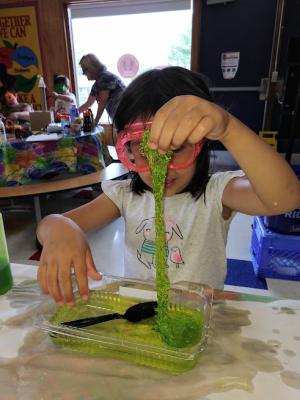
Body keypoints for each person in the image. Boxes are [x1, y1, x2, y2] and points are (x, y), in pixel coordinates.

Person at [36, 66, 300, 305]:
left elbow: (284, 198)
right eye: (144, 152)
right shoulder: (125, 195)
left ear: (202, 144)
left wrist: (228, 128)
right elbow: (48, 225)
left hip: (201, 315)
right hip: (141, 312)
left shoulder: (217, 193)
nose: (161, 166)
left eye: (176, 149)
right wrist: (61, 227)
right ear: (127, 149)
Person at [78, 53, 125, 125]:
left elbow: (103, 101)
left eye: (84, 70)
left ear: (91, 68)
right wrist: (71, 113)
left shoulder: (105, 77)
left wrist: (96, 121)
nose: (83, 74)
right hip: (120, 117)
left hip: (126, 115)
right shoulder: (97, 84)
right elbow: (87, 104)